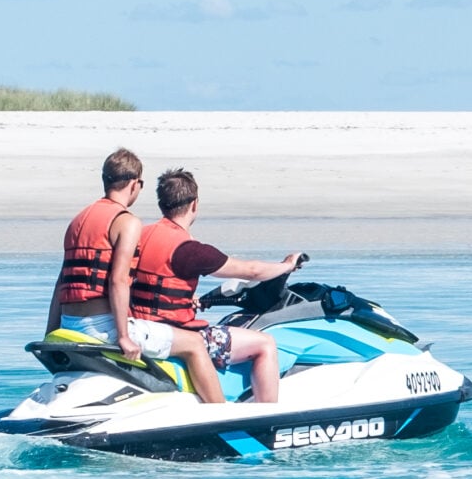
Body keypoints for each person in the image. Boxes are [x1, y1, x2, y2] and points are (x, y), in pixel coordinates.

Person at [106, 168, 306, 404]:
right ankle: (267, 417)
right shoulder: (190, 250)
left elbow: (147, 280)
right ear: (194, 205)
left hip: (143, 328)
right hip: (179, 334)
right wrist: (286, 265)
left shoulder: (138, 234)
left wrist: (184, 300)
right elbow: (252, 271)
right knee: (265, 344)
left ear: (162, 204)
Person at [46, 148, 149, 337]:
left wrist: (50, 333)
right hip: (101, 326)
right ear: (135, 184)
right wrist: (124, 337)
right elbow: (118, 281)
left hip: (68, 323)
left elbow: (61, 284)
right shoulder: (127, 222)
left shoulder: (77, 221)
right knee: (190, 343)